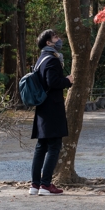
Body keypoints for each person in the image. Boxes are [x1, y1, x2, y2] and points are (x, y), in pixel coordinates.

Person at [29, 29, 73, 196]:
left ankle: (35, 184)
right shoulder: (52, 60)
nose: (59, 39)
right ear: (49, 43)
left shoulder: (41, 59)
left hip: (42, 108)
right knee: (54, 146)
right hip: (52, 108)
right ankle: (46, 184)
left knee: (41, 146)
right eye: (55, 37)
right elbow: (53, 82)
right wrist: (67, 81)